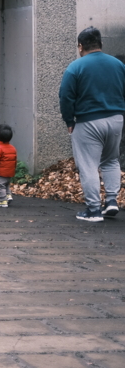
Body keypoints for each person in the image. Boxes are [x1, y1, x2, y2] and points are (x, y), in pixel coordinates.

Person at [59, 27, 125, 222]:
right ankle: (112, 201)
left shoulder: (75, 67)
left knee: (88, 165)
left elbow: (66, 96)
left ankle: (94, 210)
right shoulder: (118, 65)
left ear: (81, 46)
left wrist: (69, 120)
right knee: (111, 160)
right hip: (116, 119)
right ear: (100, 44)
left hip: (88, 121)